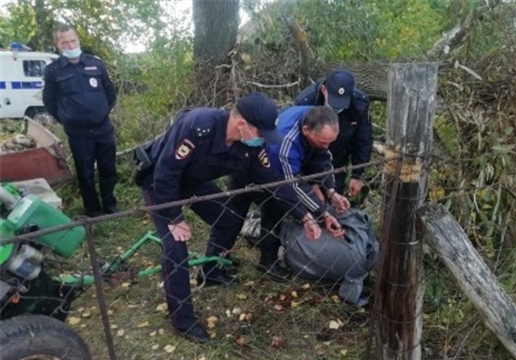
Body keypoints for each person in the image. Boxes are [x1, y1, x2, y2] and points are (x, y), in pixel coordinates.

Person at [135, 93, 320, 343]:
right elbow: (166, 171)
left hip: (194, 181)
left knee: (230, 217)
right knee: (176, 248)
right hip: (159, 184)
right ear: (242, 124)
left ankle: (210, 272)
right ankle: (183, 320)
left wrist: (305, 215)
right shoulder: (199, 125)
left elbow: (274, 182)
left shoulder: (252, 145)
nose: (263, 139)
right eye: (261, 133)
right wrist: (174, 217)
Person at [228, 106, 351, 279]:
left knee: (278, 209)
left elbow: (322, 158)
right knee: (253, 210)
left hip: (276, 168)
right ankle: (218, 260)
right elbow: (292, 185)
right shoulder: (286, 143)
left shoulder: (316, 117)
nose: (327, 146)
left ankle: (266, 262)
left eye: (330, 142)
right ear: (306, 130)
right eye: (323, 142)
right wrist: (323, 213)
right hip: (250, 168)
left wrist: (331, 191)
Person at [43, 24, 117, 217]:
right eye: (65, 42)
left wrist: (101, 113)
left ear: (78, 40)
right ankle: (92, 211)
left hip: (103, 129)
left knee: (108, 169)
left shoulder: (95, 64)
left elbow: (110, 92)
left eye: (73, 41)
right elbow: (49, 102)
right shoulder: (53, 71)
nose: (70, 45)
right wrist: (68, 119)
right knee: (85, 174)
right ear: (58, 45)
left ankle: (110, 206)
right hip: (78, 134)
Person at [295, 69, 373, 197]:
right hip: (307, 160)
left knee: (335, 201)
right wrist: (310, 181)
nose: (337, 107)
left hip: (338, 159)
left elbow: (363, 139)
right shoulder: (305, 102)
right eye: (334, 101)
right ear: (324, 90)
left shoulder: (359, 104)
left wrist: (357, 174)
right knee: (310, 205)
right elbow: (297, 144)